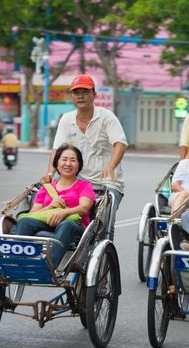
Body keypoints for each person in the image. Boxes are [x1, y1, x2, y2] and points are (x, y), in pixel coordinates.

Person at [44, 74, 128, 241]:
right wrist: (50, 174)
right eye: (76, 92)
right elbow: (57, 149)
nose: (80, 96)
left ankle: (104, 252)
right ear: (71, 96)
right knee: (63, 213)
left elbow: (121, 144)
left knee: (103, 222)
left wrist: (111, 166)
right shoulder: (66, 120)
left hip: (107, 182)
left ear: (94, 95)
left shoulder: (106, 117)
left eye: (85, 92)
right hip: (79, 181)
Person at [15, 144, 96, 267]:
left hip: (73, 228)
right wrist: (49, 208)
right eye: (64, 159)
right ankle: (18, 263)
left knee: (66, 224)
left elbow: (84, 208)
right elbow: (33, 215)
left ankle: (49, 266)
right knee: (25, 221)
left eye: (73, 160)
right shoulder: (46, 188)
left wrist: (64, 212)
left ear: (78, 165)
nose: (68, 163)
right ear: (57, 164)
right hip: (46, 224)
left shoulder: (84, 186)